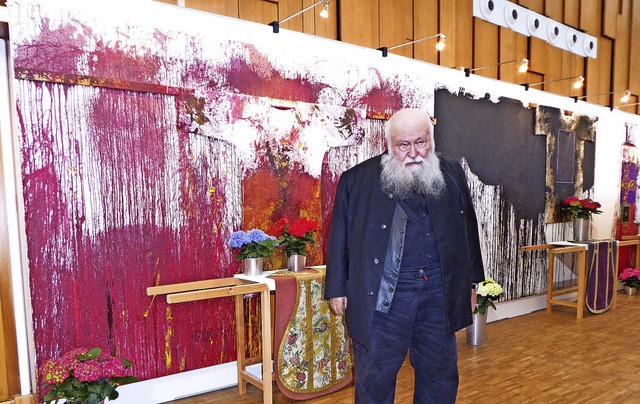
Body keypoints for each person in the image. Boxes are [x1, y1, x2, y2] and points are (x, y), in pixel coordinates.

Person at [324, 108, 485, 403]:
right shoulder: (357, 180)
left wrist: (473, 282)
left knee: (440, 375)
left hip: (438, 294)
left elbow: (467, 228)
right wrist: (336, 288)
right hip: (383, 296)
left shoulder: (451, 173)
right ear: (389, 144)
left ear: (431, 140)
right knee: (376, 378)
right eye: (403, 145)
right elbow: (340, 237)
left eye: (421, 142)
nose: (414, 153)